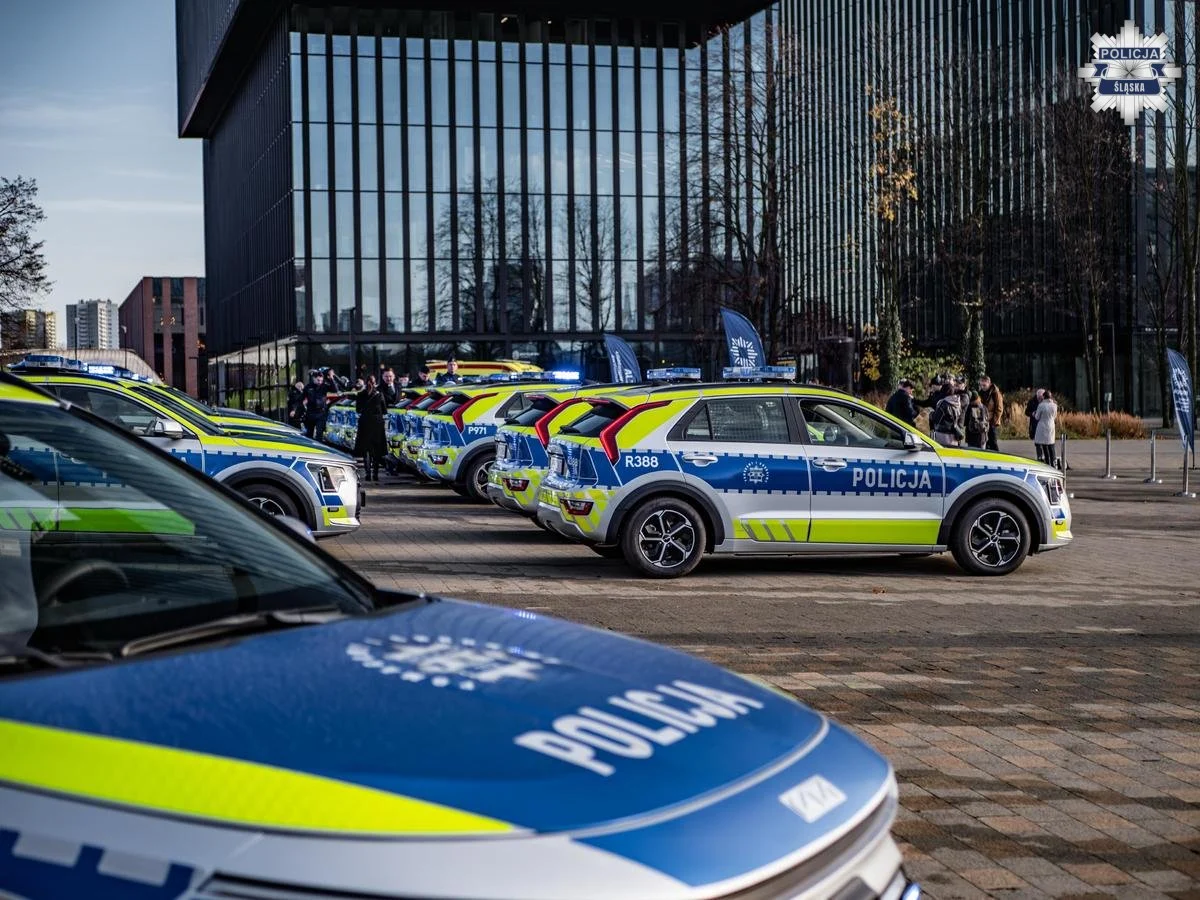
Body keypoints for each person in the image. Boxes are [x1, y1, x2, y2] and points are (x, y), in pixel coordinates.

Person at [354, 375, 387, 482]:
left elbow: (358, 410)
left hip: (365, 422)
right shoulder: (379, 394)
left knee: (366, 449)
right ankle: (375, 474)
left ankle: (368, 473)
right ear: (375, 383)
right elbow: (384, 410)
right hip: (377, 423)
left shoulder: (360, 394)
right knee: (376, 449)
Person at [302, 370, 337, 441]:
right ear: (314, 378)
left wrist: (331, 379)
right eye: (318, 380)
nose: (320, 382)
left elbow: (335, 390)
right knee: (309, 433)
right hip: (311, 412)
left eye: (321, 380)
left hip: (321, 412)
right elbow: (301, 398)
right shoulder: (308, 387)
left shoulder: (324, 386)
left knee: (319, 433)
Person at [977, 375, 1005, 452]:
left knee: (993, 442)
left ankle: (997, 457)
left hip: (992, 421)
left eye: (984, 385)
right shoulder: (981, 392)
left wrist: (994, 422)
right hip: (983, 421)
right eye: (981, 385)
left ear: (989, 383)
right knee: (984, 442)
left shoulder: (995, 393)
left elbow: (999, 409)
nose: (982, 387)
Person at [1034, 390, 1058, 468]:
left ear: (1044, 396)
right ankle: (1053, 463)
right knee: (1051, 445)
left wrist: (1034, 414)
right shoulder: (1054, 405)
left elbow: (1037, 417)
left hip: (1042, 425)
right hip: (1051, 425)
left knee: (1044, 446)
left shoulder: (1041, 405)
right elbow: (1055, 416)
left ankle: (1047, 464)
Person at [1025, 388, 1044, 454]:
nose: (1039, 399)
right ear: (1036, 395)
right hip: (1034, 424)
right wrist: (1032, 413)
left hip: (1043, 424)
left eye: (1041, 397)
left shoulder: (1046, 402)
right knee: (1037, 442)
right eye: (1038, 397)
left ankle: (1044, 456)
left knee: (1044, 442)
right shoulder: (1032, 401)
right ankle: (1039, 456)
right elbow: (1026, 412)